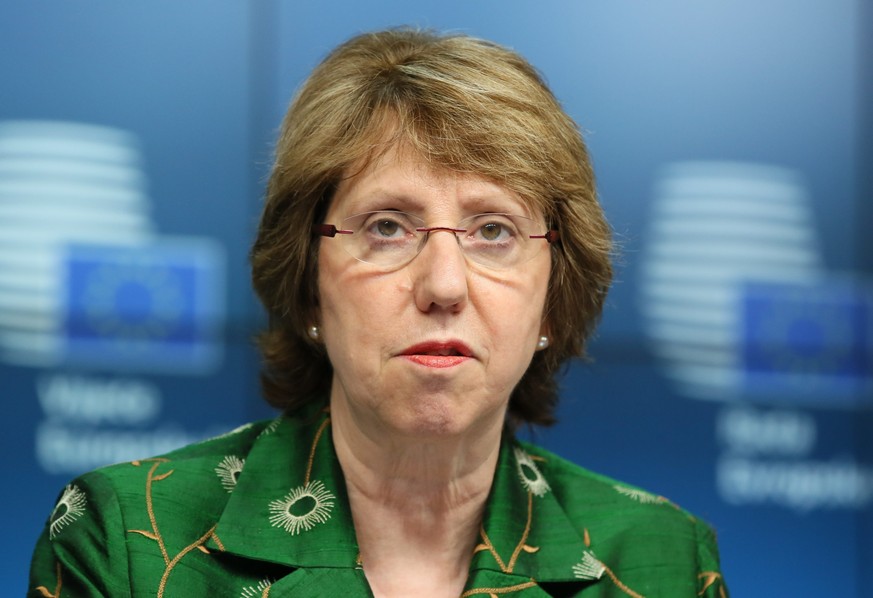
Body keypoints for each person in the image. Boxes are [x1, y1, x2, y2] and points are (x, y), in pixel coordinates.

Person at [29, 28, 728, 597]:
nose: (444, 285)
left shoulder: (658, 563)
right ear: (307, 283)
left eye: (493, 231)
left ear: (554, 294)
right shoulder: (128, 544)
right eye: (388, 227)